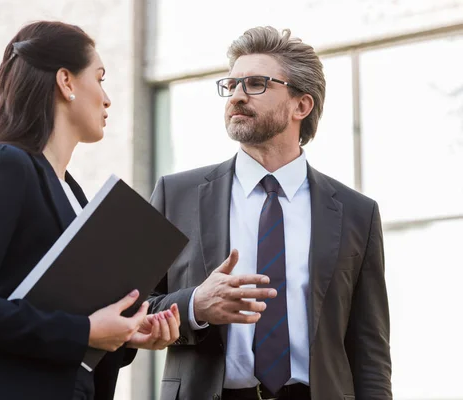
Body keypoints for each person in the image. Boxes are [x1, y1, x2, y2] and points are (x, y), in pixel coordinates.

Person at [0, 21, 180, 400]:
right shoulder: (5, 164)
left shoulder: (75, 195)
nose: (108, 98)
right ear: (66, 82)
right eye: (100, 78)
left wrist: (125, 335)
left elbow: (67, 322)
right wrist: (85, 331)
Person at [148, 26, 392, 400]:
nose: (237, 97)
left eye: (256, 84)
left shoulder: (357, 213)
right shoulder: (175, 195)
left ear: (302, 106)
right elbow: (132, 305)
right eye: (231, 86)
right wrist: (195, 304)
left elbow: (370, 349)